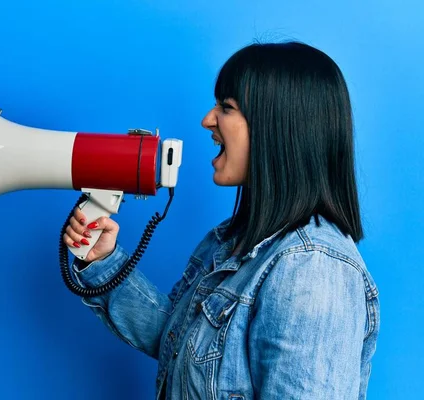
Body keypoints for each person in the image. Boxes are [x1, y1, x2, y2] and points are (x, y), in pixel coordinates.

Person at [62, 41, 380, 400]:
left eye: (226, 108)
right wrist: (103, 262)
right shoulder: (230, 241)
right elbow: (178, 342)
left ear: (277, 127)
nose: (207, 120)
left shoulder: (311, 269)